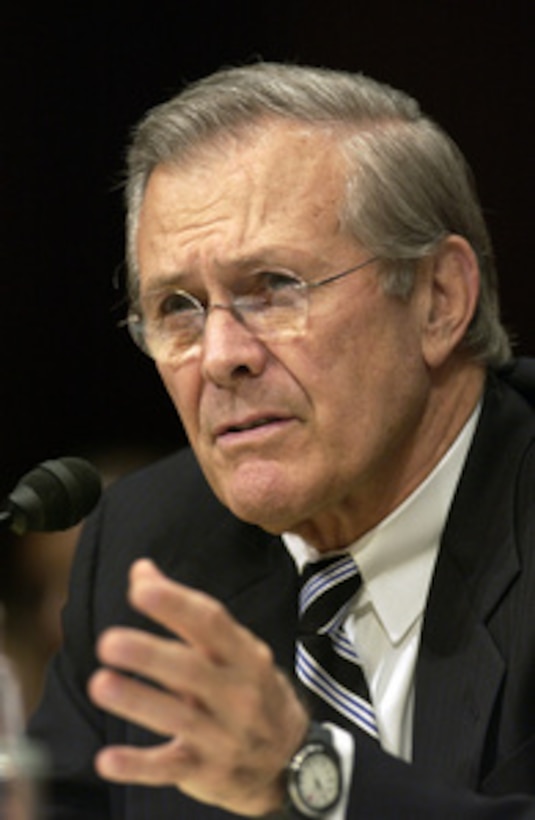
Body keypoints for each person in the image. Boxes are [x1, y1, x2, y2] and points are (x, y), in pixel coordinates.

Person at [27, 62, 535, 818]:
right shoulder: (148, 546)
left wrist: (309, 776)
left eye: (273, 287)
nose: (221, 353)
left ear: (437, 299)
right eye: (176, 307)